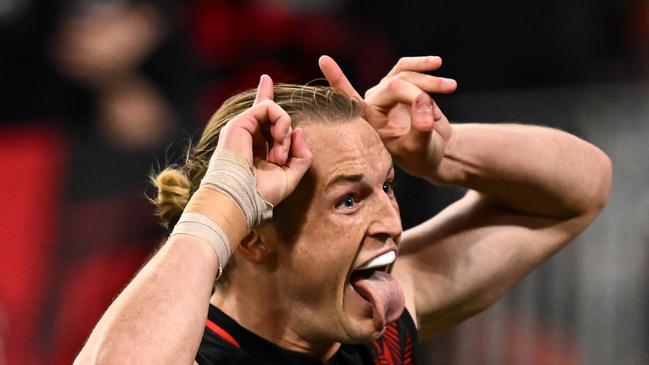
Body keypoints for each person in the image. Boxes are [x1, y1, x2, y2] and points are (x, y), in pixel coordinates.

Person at [74, 56, 612, 364]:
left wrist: (443, 155)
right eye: (350, 200)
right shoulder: (203, 355)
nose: (392, 224)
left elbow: (580, 189)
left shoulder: (374, 326)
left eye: (389, 188)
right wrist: (218, 207)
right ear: (254, 237)